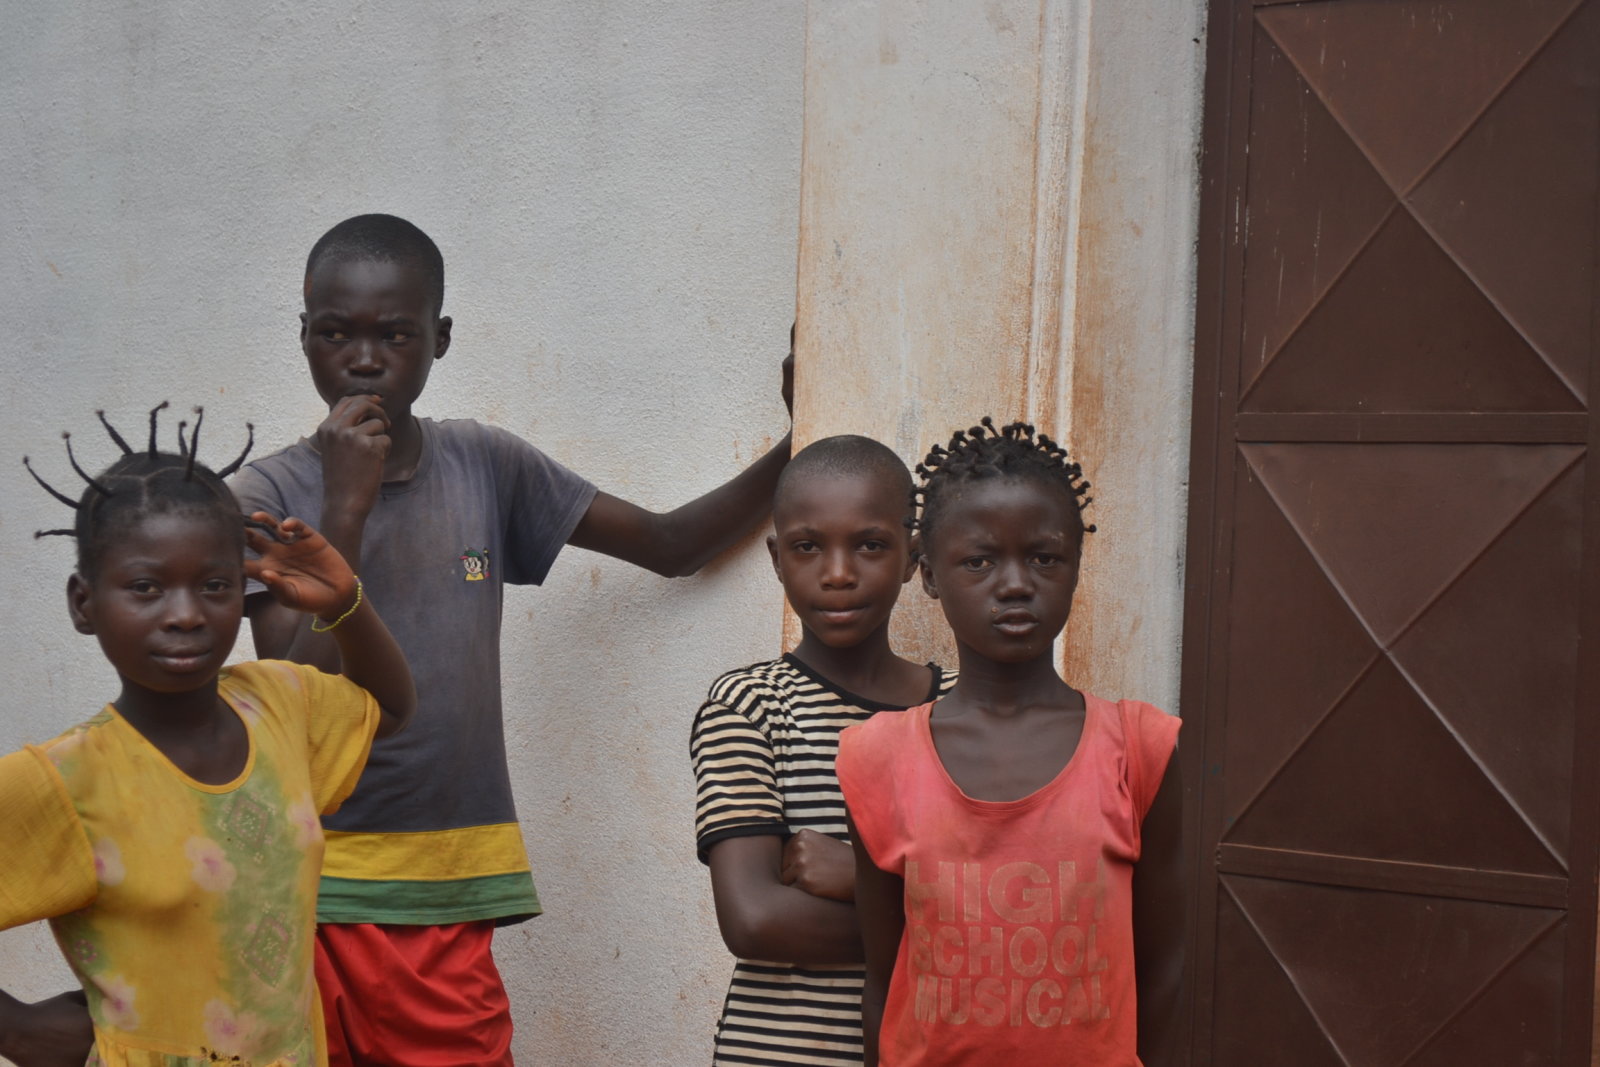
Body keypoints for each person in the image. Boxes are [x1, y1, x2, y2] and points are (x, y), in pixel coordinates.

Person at [229, 214, 793, 1066]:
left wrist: (802, 440)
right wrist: (345, 503)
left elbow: (670, 545)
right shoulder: (265, 492)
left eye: (396, 334)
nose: (365, 357)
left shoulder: (484, 464)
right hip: (306, 882)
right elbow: (290, 683)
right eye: (336, 333)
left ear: (440, 339)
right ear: (303, 337)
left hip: (445, 883)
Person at [0, 405, 416, 1067]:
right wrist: (18, 1031)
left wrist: (345, 603)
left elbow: (389, 707)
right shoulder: (68, 781)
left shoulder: (281, 701)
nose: (187, 614)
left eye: (215, 584)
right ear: (85, 603)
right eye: (146, 587)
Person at [837, 418, 1183, 1066]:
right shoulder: (878, 758)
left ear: (1076, 567)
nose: (1016, 582)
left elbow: (1165, 963)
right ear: (930, 573)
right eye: (980, 559)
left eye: (1044, 556)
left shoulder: (1139, 748)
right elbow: (884, 972)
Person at [690, 435, 954, 1066]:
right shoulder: (751, 704)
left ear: (913, 555)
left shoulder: (958, 713)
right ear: (778, 559)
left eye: (869, 544)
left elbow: (1009, 896)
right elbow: (754, 920)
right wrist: (945, 922)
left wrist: (860, 878)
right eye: (809, 547)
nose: (838, 573)